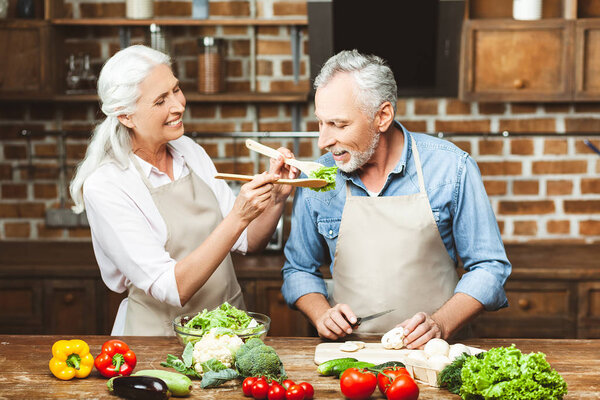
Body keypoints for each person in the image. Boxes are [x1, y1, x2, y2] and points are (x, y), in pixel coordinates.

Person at [281, 50, 511, 348]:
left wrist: (440, 324)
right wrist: (321, 314)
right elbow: (298, 269)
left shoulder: (451, 168)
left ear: (383, 116)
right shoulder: (319, 178)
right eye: (321, 123)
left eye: (339, 125)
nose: (323, 141)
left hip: (435, 355)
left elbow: (489, 267)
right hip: (350, 358)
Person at [70, 45, 299, 336]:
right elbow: (173, 288)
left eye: (176, 90)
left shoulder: (189, 151)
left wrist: (276, 198)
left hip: (229, 331)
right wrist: (239, 216)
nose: (178, 105)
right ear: (126, 116)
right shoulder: (107, 186)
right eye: (160, 101)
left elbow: (247, 240)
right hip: (159, 341)